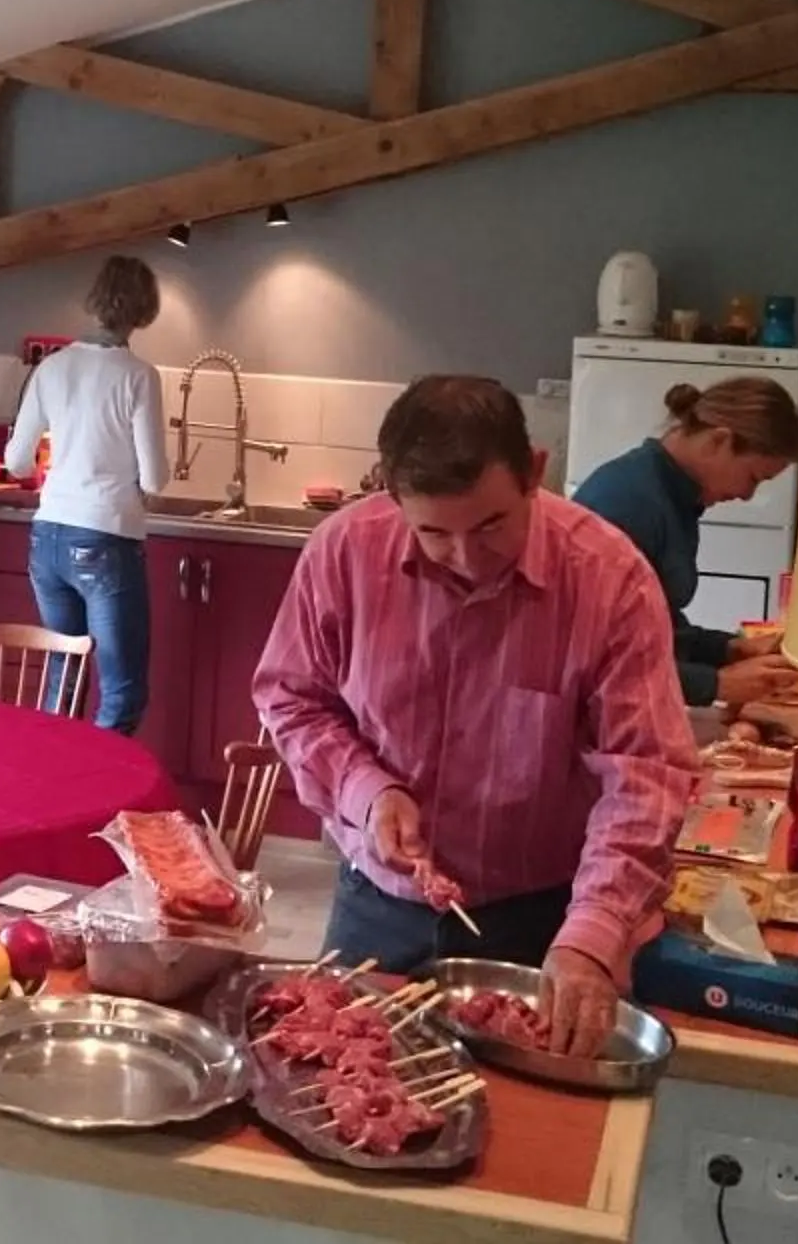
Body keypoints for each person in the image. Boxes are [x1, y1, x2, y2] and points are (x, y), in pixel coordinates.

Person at [254, 376, 698, 1058]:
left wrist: (596, 933)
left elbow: (646, 774)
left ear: (534, 473)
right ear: (394, 495)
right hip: (378, 904)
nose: (465, 559)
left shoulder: (610, 578)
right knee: (353, 1098)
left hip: (546, 918)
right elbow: (291, 697)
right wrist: (367, 793)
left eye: (491, 526)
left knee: (538, 1145)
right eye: (433, 532)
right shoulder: (345, 552)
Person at [571, 377, 798, 712]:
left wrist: (730, 649)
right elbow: (596, 659)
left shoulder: (669, 494)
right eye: (753, 478)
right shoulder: (629, 503)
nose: (747, 495)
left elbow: (653, 623)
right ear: (718, 441)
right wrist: (717, 685)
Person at [7, 256, 171, 733]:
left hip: (47, 540)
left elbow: (18, 461)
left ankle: (55, 785)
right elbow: (156, 479)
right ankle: (102, 791)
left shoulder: (52, 368)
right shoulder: (138, 375)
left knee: (65, 673)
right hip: (105, 540)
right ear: (143, 312)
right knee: (121, 689)